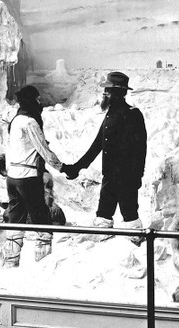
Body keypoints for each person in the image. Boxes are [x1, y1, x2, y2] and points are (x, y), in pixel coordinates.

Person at [62, 71, 147, 234]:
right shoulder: (110, 114)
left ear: (116, 92)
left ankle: (139, 252)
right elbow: (97, 145)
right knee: (102, 219)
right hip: (109, 176)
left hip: (126, 179)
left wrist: (137, 177)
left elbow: (140, 150)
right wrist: (77, 167)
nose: (104, 93)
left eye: (107, 90)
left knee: (131, 219)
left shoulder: (133, 114)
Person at [0, 84, 64, 267]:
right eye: (37, 99)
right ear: (31, 100)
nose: (39, 102)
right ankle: (43, 264)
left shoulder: (15, 120)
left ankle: (10, 262)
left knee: (16, 218)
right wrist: (63, 167)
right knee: (41, 219)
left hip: (13, 177)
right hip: (28, 177)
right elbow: (43, 150)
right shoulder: (30, 122)